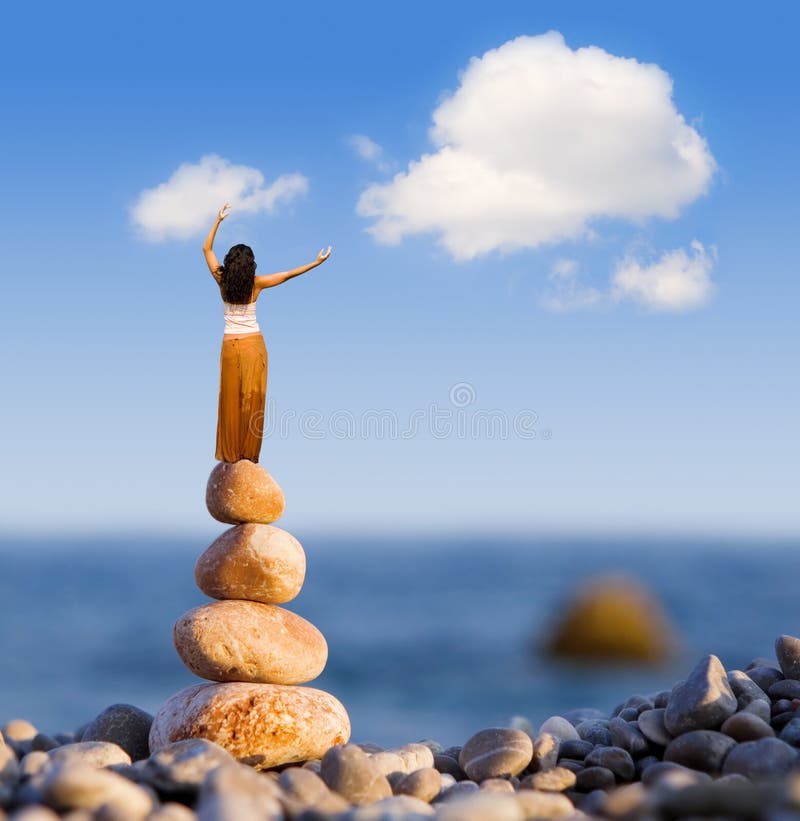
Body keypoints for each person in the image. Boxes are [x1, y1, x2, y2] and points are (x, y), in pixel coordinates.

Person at [202, 202, 332, 463]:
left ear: (229, 263)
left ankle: (230, 455)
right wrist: (316, 263)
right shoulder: (256, 283)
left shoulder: (221, 280)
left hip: (230, 345)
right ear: (250, 265)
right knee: (253, 397)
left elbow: (206, 249)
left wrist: (217, 220)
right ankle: (248, 455)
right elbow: (287, 275)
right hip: (253, 344)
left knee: (229, 397)